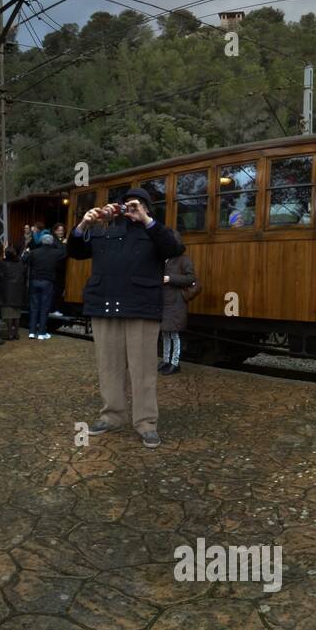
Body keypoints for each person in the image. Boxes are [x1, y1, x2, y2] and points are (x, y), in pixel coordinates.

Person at [69, 183, 182, 446]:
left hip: (141, 307)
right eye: (126, 204)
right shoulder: (104, 229)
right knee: (108, 367)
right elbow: (75, 252)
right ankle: (112, 416)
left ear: (146, 208)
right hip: (105, 305)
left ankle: (146, 422)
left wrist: (145, 219)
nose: (130, 208)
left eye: (137, 204)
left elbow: (174, 249)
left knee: (142, 370)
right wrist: (84, 224)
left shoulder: (155, 230)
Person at [157, 246, 197, 374]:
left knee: (174, 334)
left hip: (176, 303)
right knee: (165, 333)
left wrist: (170, 278)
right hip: (165, 302)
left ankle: (175, 363)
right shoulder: (163, 259)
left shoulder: (183, 260)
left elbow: (191, 278)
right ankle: (166, 360)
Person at [26, 228, 67, 339]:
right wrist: (62, 244)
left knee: (34, 307)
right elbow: (64, 253)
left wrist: (27, 251)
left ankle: (32, 332)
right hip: (48, 282)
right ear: (52, 242)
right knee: (44, 307)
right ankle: (42, 333)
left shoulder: (34, 252)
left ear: (42, 242)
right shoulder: (56, 253)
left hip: (34, 281)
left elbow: (24, 259)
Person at [0, 240, 30, 344]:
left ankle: (10, 333)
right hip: (19, 291)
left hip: (6, 291)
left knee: (8, 314)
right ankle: (16, 333)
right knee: (17, 314)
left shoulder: (2, 264)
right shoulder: (20, 264)